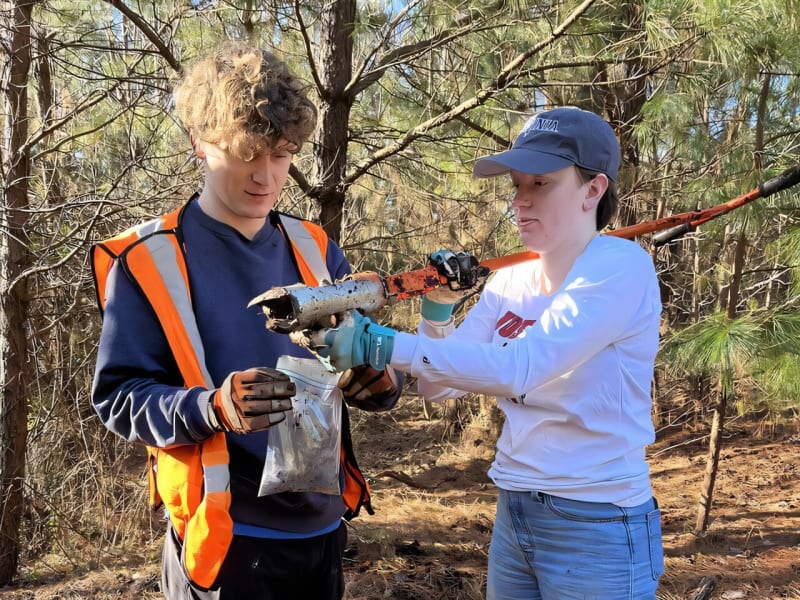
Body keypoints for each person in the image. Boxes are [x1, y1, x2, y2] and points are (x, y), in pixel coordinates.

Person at [309, 107, 665, 599]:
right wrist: (437, 315)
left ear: (593, 190)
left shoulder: (620, 268)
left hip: (596, 519)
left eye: (540, 184)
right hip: (516, 508)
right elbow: (438, 387)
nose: (519, 201)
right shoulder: (512, 279)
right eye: (516, 185)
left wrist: (382, 343)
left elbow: (522, 369)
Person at [90, 43, 401, 599]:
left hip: (323, 530)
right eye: (246, 152)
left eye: (281, 154)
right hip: (224, 541)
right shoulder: (150, 261)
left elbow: (362, 369)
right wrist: (213, 407)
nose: (266, 175)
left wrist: (376, 384)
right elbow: (118, 397)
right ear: (198, 143)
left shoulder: (315, 247)